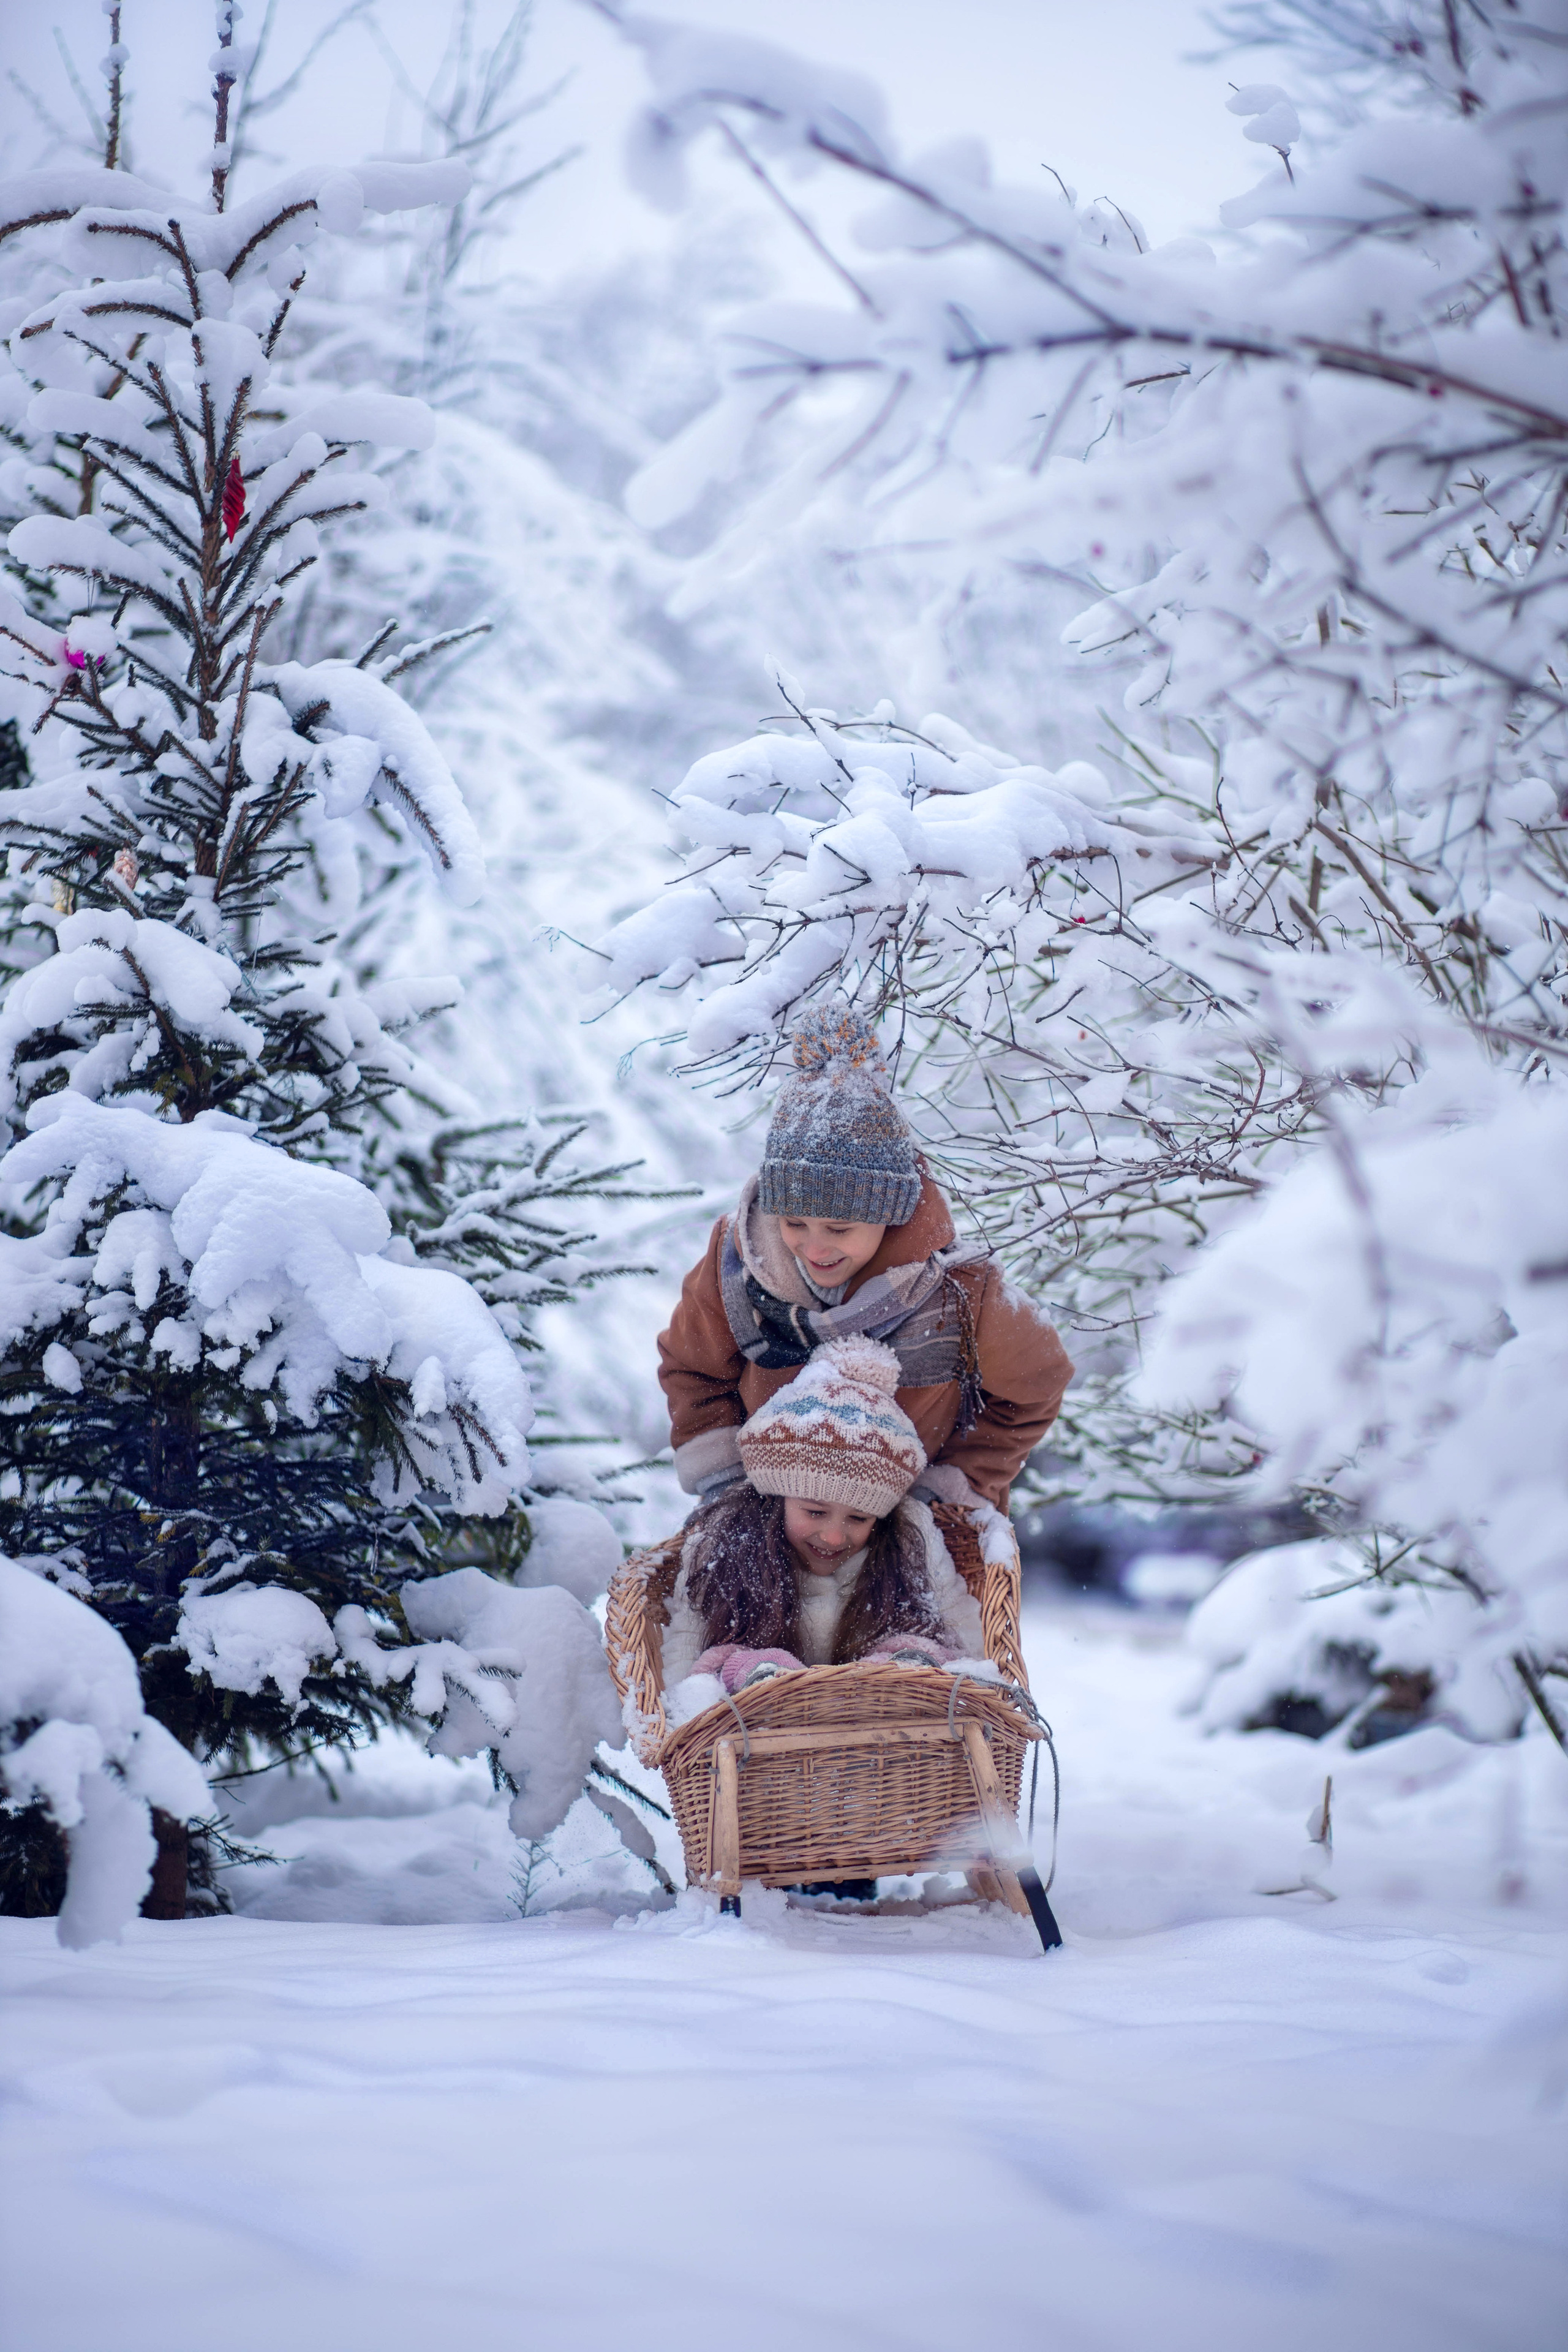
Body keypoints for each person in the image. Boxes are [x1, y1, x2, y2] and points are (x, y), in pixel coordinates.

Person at [658, 1005, 1073, 1518]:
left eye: (840, 1229)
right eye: (795, 1223)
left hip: (906, 1525)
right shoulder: (739, 1263)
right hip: (768, 1519)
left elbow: (1037, 1385)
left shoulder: (961, 1290)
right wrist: (727, 1487)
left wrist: (951, 1488)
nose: (813, 1248)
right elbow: (694, 1370)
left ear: (891, 1215)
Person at [658, 1335, 986, 1698]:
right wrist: (684, 1712)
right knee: (732, 1664)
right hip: (758, 1735)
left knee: (916, 1651)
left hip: (882, 1730)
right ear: (776, 1499)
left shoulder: (908, 1538)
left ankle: (900, 1677)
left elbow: (960, 1628)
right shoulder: (724, 1541)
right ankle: (764, 1680)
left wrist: (952, 1679)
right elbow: (684, 1646)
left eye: (859, 1518)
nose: (833, 1537)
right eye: (815, 1512)